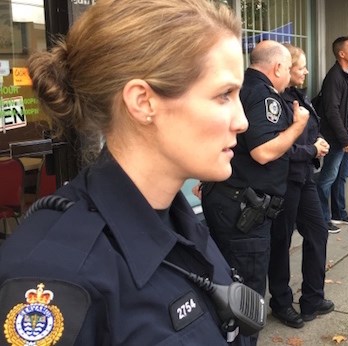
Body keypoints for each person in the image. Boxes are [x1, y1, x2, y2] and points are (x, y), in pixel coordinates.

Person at [0, 0, 251, 344]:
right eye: (224, 94)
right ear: (143, 102)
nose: (242, 121)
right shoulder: (55, 275)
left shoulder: (178, 222)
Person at [201, 40, 309, 345]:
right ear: (277, 68)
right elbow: (263, 152)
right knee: (246, 295)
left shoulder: (239, 88)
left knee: (227, 283)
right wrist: (298, 127)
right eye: (288, 68)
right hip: (243, 210)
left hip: (230, 200)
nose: (289, 75)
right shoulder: (263, 96)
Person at [268, 44, 334, 329]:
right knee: (281, 243)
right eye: (301, 67)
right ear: (284, 68)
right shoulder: (274, 102)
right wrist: (312, 149)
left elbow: (306, 133)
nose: (306, 71)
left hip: (305, 178)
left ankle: (312, 298)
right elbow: (277, 148)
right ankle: (281, 302)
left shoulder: (296, 95)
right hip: (284, 181)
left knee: (318, 231)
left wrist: (317, 146)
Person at [317, 36, 348, 233]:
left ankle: (339, 213)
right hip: (337, 137)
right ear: (342, 54)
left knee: (341, 177)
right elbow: (331, 111)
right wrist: (344, 139)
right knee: (328, 178)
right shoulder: (334, 77)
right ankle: (322, 218)